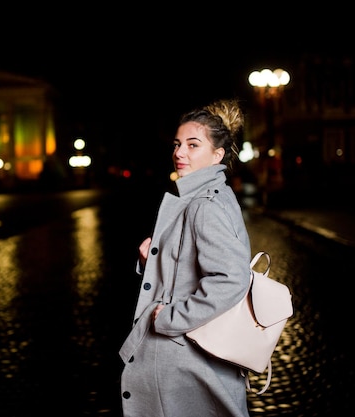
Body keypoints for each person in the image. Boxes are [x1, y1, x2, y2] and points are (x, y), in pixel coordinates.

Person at [118, 99, 252, 417]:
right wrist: (153, 257)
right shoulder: (209, 196)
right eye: (178, 144)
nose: (179, 153)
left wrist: (168, 319)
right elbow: (188, 265)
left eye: (193, 145)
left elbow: (231, 278)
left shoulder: (204, 204)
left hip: (183, 362)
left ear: (218, 154)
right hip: (189, 359)